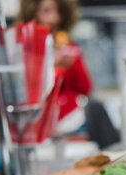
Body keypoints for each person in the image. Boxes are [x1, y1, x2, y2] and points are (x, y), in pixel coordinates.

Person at [18, 0, 92, 132]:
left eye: (58, 12)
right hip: (39, 124)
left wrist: (74, 62)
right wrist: (50, 64)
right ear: (32, 13)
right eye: (47, 11)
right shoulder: (24, 50)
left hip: (72, 122)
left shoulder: (69, 48)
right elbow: (28, 93)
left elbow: (85, 89)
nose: (54, 19)